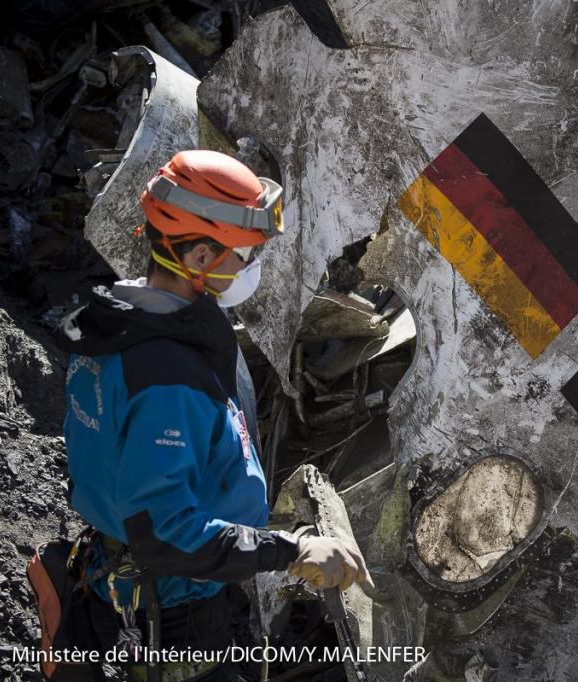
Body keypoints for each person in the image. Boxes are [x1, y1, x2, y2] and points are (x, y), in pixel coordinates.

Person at [59, 150, 372, 681]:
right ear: (200, 257)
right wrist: (293, 549)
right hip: (179, 615)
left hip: (151, 580)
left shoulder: (120, 324)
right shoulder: (163, 376)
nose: (253, 267)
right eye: (246, 254)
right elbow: (167, 532)